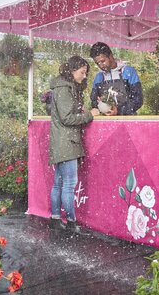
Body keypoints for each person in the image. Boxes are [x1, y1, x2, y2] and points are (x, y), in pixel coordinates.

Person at [48, 55, 100, 233]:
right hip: (66, 142)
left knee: (58, 183)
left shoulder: (64, 86)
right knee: (69, 184)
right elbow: (67, 118)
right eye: (82, 72)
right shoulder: (64, 88)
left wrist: (81, 110)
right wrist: (90, 115)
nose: (84, 76)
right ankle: (71, 222)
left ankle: (55, 219)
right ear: (72, 70)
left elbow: (66, 113)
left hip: (62, 141)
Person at [89, 42, 143, 116]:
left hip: (128, 120)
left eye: (102, 61)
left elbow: (138, 100)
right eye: (97, 63)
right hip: (106, 121)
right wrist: (100, 104)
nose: (101, 66)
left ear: (111, 56)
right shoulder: (99, 77)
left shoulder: (128, 72)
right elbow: (94, 102)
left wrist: (119, 110)